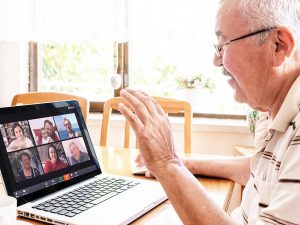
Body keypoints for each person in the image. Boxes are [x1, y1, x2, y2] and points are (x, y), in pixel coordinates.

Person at [118, 0, 300, 224]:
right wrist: (183, 162)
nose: (216, 60)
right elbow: (260, 170)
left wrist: (166, 163)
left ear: (278, 46)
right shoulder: (284, 114)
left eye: (224, 44)